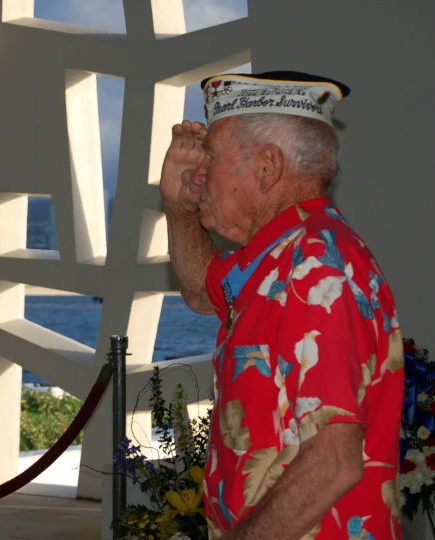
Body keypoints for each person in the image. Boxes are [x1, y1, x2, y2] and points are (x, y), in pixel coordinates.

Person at [160, 71, 404, 539]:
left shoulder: (315, 267)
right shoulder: (280, 252)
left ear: (268, 167)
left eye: (211, 156)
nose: (199, 173)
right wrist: (179, 206)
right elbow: (200, 291)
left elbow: (334, 461)